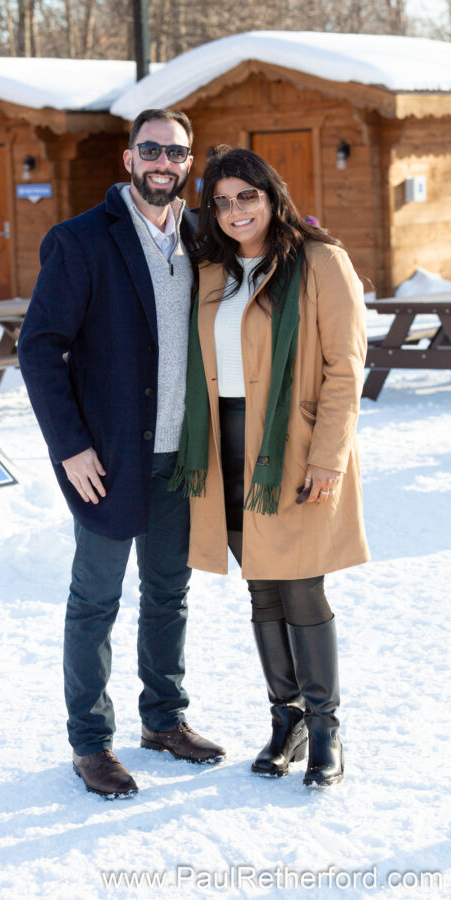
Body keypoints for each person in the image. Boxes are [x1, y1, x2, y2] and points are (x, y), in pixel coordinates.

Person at [17, 109, 226, 799]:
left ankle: (164, 720)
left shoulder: (200, 237)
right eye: (152, 149)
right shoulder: (80, 241)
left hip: (178, 453)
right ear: (130, 158)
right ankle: (91, 743)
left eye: (177, 151)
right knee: (96, 601)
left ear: (189, 163)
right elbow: (40, 348)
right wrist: (70, 446)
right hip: (105, 457)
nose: (164, 161)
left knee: (169, 592)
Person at [171, 147, 369, 787]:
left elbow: (345, 367)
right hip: (226, 447)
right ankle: (286, 718)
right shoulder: (210, 271)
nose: (234, 212)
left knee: (302, 584)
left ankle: (327, 725)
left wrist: (328, 458)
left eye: (245, 196)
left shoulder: (319, 262)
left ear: (271, 195)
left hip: (292, 447)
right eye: (221, 201)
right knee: (261, 584)